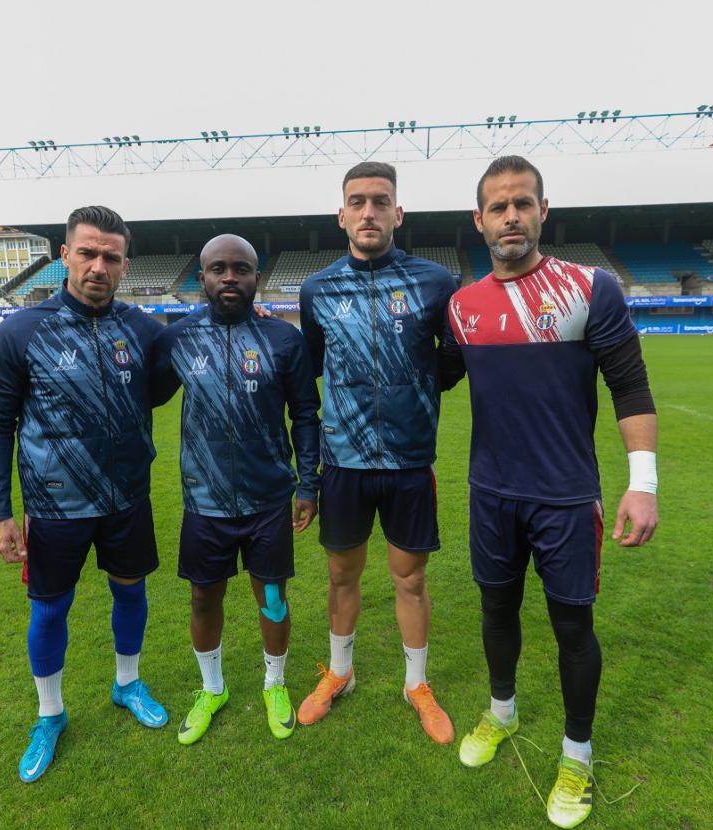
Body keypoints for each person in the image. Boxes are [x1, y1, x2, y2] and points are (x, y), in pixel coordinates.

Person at [445, 156, 658, 829]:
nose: (511, 216)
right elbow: (431, 379)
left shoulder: (589, 289)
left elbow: (630, 385)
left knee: (573, 626)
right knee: (496, 610)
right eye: (498, 206)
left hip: (566, 497)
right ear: (478, 221)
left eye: (523, 203)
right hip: (490, 493)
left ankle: (577, 754)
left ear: (543, 211)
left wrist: (643, 483)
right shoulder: (462, 306)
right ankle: (501, 712)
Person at [0, 205, 167, 784]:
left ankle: (127, 683)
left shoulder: (142, 330)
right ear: (64, 255)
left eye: (110, 257)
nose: (98, 266)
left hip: (127, 499)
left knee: (130, 595)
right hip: (54, 506)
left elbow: (165, 385)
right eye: (87, 252)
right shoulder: (21, 331)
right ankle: (50, 713)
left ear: (125, 265)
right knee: (50, 608)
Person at [296, 161, 463, 744]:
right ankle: (340, 672)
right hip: (342, 465)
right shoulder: (316, 288)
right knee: (342, 577)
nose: (369, 212)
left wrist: (414, 389)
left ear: (399, 213)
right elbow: (312, 369)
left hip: (410, 465)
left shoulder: (436, 283)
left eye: (380, 201)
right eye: (357, 201)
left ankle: (416, 684)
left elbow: (454, 357)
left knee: (410, 580)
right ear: (341, 215)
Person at [150, 234, 321, 745]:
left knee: (271, 596)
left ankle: (274, 683)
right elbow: (146, 395)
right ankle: (213, 687)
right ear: (200, 278)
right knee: (204, 598)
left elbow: (307, 415)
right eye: (218, 269)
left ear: (256, 278)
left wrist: (308, 483)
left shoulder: (284, 341)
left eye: (241, 269)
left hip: (268, 499)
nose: (230, 277)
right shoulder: (176, 339)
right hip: (205, 501)